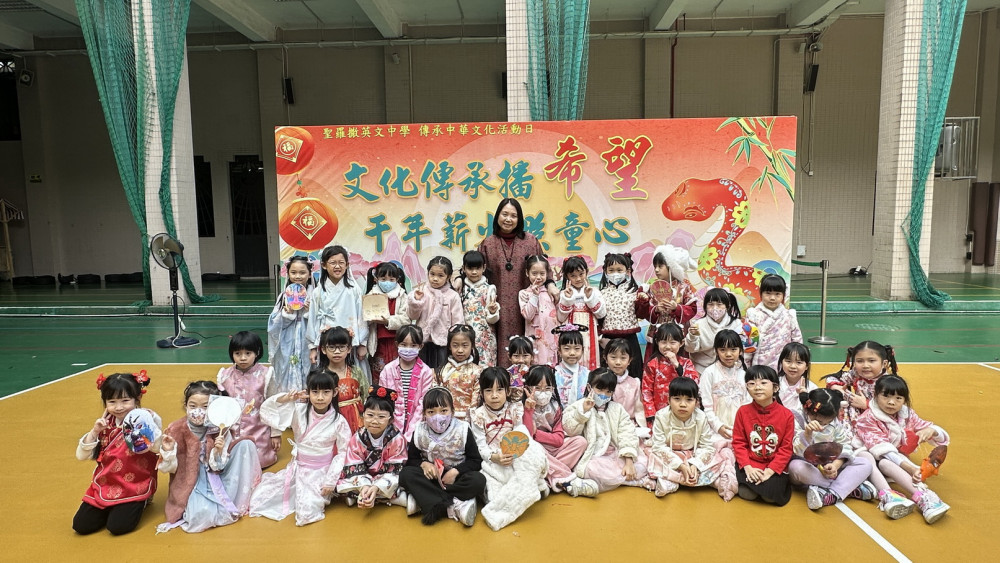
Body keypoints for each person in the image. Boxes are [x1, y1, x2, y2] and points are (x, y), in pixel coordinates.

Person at [249, 369, 352, 526]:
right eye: (315, 392)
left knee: (307, 513)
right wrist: (288, 398)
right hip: (298, 469)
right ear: (308, 392)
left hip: (321, 473)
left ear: (335, 392)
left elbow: (343, 453)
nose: (320, 397)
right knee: (259, 498)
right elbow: (268, 410)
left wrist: (330, 480)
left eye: (326, 392)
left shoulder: (339, 421)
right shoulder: (298, 410)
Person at [157, 381, 261, 533]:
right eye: (193, 406)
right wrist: (168, 452)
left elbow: (218, 466)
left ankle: (238, 497)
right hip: (191, 481)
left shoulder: (219, 427)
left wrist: (218, 451)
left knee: (246, 445)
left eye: (205, 407)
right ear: (186, 406)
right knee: (200, 517)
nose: (198, 411)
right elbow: (168, 468)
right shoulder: (176, 429)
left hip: (216, 475)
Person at [854, 375, 951, 524]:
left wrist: (932, 431)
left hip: (891, 463)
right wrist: (911, 468)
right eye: (886, 396)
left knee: (885, 463)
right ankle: (889, 496)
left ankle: (925, 498)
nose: (891, 402)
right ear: (875, 395)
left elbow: (940, 437)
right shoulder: (866, 419)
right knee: (866, 456)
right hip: (867, 462)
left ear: (904, 400)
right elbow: (883, 449)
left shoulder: (907, 414)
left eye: (898, 398)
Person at [73, 371, 160, 536]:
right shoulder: (105, 424)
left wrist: (147, 435)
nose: (119, 407)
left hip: (135, 484)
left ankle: (142, 500)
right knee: (81, 526)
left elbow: (157, 448)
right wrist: (95, 431)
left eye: (125, 400)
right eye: (112, 402)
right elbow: (81, 455)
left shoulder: (146, 419)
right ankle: (110, 504)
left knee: (117, 527)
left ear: (137, 398)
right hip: (106, 482)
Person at [478, 198, 557, 367]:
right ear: (497, 216)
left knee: (530, 347)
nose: (508, 219)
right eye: (504, 214)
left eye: (513, 216)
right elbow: (476, 269)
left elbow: (545, 268)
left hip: (529, 304)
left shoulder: (530, 241)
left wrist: (551, 284)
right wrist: (458, 278)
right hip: (499, 308)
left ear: (519, 218)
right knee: (502, 348)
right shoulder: (488, 243)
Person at [469, 368, 548, 531]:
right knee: (496, 495)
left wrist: (517, 450)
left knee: (531, 450)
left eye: (499, 390)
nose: (494, 395)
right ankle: (498, 511)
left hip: (515, 454)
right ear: (482, 393)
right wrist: (495, 457)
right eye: (489, 390)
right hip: (494, 459)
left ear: (507, 391)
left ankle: (528, 485)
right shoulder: (478, 415)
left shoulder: (515, 409)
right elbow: (480, 446)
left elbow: (521, 433)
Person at [398, 387, 487, 526]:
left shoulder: (463, 429)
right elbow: (412, 460)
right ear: (424, 414)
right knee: (405, 474)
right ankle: (455, 503)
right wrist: (424, 464)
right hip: (431, 478)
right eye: (431, 412)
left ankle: (426, 499)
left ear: (452, 411)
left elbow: (475, 460)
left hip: (456, 478)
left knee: (478, 480)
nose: (437, 416)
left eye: (444, 411)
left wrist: (456, 471)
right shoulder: (420, 430)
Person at [562, 368, 648, 497]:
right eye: (600, 390)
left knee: (643, 464)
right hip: (592, 457)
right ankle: (631, 481)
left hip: (615, 454)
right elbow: (570, 430)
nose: (604, 395)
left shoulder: (617, 409)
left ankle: (619, 479)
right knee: (591, 469)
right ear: (589, 387)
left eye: (608, 392)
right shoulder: (578, 406)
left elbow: (627, 433)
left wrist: (629, 461)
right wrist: (582, 412)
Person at [647, 377, 738, 500]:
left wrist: (695, 465)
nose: (683, 404)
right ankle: (677, 481)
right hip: (669, 453)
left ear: (696, 402)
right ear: (668, 400)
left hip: (693, 454)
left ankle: (673, 480)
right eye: (677, 399)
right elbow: (659, 446)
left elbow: (706, 446)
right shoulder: (661, 416)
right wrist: (681, 466)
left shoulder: (701, 417)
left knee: (719, 456)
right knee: (651, 455)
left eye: (689, 400)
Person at [787, 388, 874, 510]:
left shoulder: (835, 421)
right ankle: (847, 487)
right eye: (819, 421)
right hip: (807, 467)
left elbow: (845, 444)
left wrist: (835, 465)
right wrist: (807, 433)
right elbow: (795, 450)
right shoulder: (794, 417)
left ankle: (831, 493)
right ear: (807, 410)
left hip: (829, 466)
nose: (823, 426)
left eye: (827, 422)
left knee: (865, 463)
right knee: (795, 467)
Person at [336, 385, 409, 509]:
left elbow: (395, 468)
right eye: (370, 415)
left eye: (381, 417)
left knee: (401, 479)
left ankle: (361, 496)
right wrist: (365, 486)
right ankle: (382, 497)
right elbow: (354, 464)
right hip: (364, 476)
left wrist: (376, 487)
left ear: (390, 419)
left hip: (387, 475)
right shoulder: (358, 437)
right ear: (363, 415)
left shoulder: (397, 439)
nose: (374, 421)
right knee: (340, 479)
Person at [732, 365, 795, 506]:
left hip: (774, 465)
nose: (757, 387)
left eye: (763, 383)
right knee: (747, 494)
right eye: (751, 383)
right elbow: (739, 443)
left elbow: (786, 448)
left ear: (775, 388)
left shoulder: (787, 415)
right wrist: (748, 467)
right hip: (751, 463)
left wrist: (770, 471)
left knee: (770, 498)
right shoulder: (742, 412)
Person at [216, 330, 279, 468]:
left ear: (257, 352)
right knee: (230, 463)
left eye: (248, 353)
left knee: (258, 462)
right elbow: (220, 406)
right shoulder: (224, 375)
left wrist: (275, 433)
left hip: (258, 430)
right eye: (237, 353)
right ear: (232, 354)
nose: (243, 358)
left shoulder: (266, 375)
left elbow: (273, 405)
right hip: (232, 431)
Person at [308, 245, 370, 384]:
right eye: (333, 263)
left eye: (341, 263)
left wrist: (362, 343)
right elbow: (312, 320)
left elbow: (361, 317)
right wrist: (312, 347)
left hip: (349, 344)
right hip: (327, 344)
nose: (337, 266)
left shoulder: (354, 290)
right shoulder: (318, 293)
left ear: (347, 265)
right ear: (324, 265)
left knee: (352, 378)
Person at [522, 365, 587, 493]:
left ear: (553, 388)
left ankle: (546, 476)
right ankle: (563, 476)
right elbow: (527, 438)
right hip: (536, 450)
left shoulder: (555, 407)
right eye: (537, 388)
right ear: (528, 388)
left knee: (581, 442)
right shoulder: (521, 407)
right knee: (532, 447)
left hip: (553, 449)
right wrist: (528, 411)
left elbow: (558, 440)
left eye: (547, 388)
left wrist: (537, 434)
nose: (543, 393)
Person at [378, 325, 435, 441]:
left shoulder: (426, 372)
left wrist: (410, 433)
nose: (408, 349)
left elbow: (423, 403)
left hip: (418, 428)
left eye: (413, 345)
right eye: (404, 345)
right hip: (391, 428)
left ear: (420, 346)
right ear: (396, 344)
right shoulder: (388, 370)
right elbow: (383, 401)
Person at [597, 252, 648, 379]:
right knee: (607, 377)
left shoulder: (635, 291)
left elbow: (642, 314)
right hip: (608, 340)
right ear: (605, 271)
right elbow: (598, 318)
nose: (615, 273)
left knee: (633, 374)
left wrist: (643, 302)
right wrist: (599, 337)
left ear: (627, 270)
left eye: (619, 270)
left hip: (630, 339)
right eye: (611, 270)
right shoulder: (600, 293)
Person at [268, 255, 315, 393]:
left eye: (302, 272)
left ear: (309, 274)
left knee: (309, 366)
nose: (298, 276)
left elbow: (322, 322)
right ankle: (288, 397)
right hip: (288, 340)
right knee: (286, 365)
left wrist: (310, 313)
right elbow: (273, 325)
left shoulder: (315, 295)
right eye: (293, 272)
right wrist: (287, 315)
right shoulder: (283, 296)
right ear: (287, 273)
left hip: (308, 339)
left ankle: (308, 398)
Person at [407, 255, 464, 369]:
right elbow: (412, 316)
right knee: (421, 371)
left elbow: (458, 323)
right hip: (422, 341)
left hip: (443, 343)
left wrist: (455, 343)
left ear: (448, 277)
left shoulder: (453, 296)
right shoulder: (421, 291)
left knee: (441, 372)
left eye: (440, 275)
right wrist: (416, 301)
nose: (435, 279)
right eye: (432, 274)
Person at [824, 340, 898, 426]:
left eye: (871, 360)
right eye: (860, 361)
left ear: (884, 363)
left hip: (878, 421)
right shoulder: (856, 374)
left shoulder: (889, 383)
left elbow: (893, 408)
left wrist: (867, 405)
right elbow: (832, 378)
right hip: (855, 416)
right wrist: (836, 387)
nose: (865, 365)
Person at [698, 329, 750, 441]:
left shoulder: (744, 375)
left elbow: (747, 404)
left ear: (740, 350)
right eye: (723, 350)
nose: (728, 354)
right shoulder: (709, 373)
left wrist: (741, 427)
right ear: (716, 351)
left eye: (733, 349)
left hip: (740, 428)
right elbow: (706, 405)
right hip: (714, 429)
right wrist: (718, 427)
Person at [556, 256, 606, 370]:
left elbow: (601, 314)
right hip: (571, 335)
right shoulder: (564, 294)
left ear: (586, 272)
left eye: (581, 274)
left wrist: (590, 297)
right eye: (573, 276)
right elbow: (560, 318)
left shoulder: (594, 292)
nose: (578, 279)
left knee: (589, 358)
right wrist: (567, 300)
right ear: (567, 276)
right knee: (571, 358)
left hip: (590, 333)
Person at [363, 261, 411, 379]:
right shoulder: (370, 296)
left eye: (391, 279)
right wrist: (371, 318)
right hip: (378, 343)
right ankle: (379, 391)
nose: (387, 282)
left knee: (397, 373)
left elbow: (406, 319)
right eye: (383, 279)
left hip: (397, 342)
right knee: (378, 373)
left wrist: (387, 321)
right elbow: (363, 320)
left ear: (397, 280)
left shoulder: (402, 296)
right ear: (376, 279)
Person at [642, 322, 697, 421]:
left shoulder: (686, 363)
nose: (667, 346)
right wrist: (651, 414)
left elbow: (694, 383)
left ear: (681, 343)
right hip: (659, 413)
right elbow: (646, 391)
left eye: (672, 342)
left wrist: (677, 366)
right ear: (657, 342)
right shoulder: (652, 364)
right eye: (663, 342)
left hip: (682, 410)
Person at [318, 326, 369, 433]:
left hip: (356, 419)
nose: (337, 351)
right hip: (330, 420)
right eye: (332, 347)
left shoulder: (356, 372)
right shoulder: (321, 375)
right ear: (323, 349)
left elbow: (366, 396)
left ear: (349, 349)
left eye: (341, 347)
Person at [745, 274, 802, 369]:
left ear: (783, 295)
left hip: (783, 363)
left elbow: (797, 340)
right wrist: (747, 366)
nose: (772, 298)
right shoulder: (753, 315)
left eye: (777, 294)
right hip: (760, 364)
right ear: (761, 293)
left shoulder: (789, 315)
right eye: (768, 293)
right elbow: (748, 342)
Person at [455, 250, 500, 366]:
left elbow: (492, 320)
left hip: (484, 338)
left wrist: (492, 312)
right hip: (464, 337)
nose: (474, 272)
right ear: (464, 268)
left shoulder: (489, 289)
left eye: (477, 268)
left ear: (483, 268)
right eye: (470, 269)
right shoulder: (460, 288)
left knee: (485, 368)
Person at [645, 244, 699, 342]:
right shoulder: (653, 288)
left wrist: (676, 308)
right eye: (655, 266)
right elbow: (646, 311)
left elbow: (693, 309)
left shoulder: (683, 288)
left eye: (660, 266)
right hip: (657, 332)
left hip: (678, 332)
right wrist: (656, 309)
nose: (656, 270)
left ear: (671, 267)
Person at [684, 288, 744, 374]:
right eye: (710, 304)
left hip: (730, 369)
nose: (715, 308)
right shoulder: (698, 325)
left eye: (719, 304)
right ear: (705, 307)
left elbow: (741, 349)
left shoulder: (736, 324)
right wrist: (692, 336)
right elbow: (690, 349)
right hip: (702, 370)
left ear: (727, 306)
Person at [518, 255, 559, 366]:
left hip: (551, 337)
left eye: (542, 273)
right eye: (534, 273)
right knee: (535, 367)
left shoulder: (551, 292)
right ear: (527, 273)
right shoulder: (524, 293)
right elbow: (527, 315)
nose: (538, 277)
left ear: (547, 274)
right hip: (534, 338)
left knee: (551, 366)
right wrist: (535, 296)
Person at [435, 324, 482, 419]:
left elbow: (476, 400)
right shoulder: (440, 371)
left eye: (465, 345)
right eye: (455, 345)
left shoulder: (478, 372)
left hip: (469, 419)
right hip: (445, 417)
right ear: (449, 346)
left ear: (472, 346)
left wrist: (469, 419)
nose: (460, 350)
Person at [604, 338, 648, 432]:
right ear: (606, 358)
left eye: (623, 358)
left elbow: (639, 410)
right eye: (613, 357)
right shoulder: (600, 381)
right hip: (606, 425)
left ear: (629, 360)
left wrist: (643, 428)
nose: (618, 362)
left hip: (629, 425)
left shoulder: (634, 383)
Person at [776, 342, 817, 426]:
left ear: (807, 366)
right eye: (788, 361)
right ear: (781, 362)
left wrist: (805, 398)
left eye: (799, 362)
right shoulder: (774, 384)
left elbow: (816, 415)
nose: (793, 366)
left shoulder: (812, 389)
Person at [552, 323, 590, 407]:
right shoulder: (554, 373)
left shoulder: (587, 374)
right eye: (567, 348)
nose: (572, 353)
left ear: (582, 350)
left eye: (577, 348)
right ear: (559, 351)